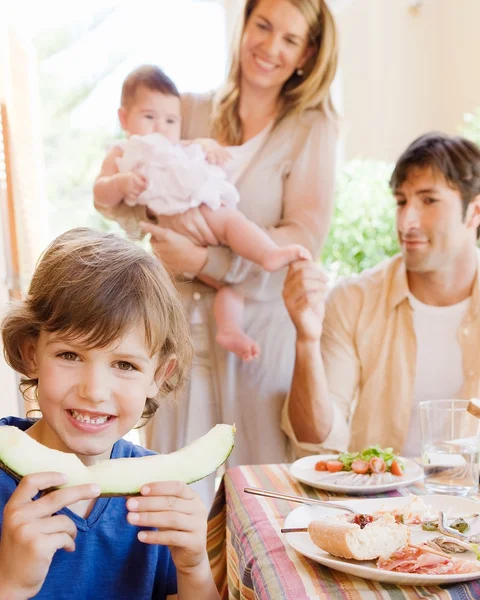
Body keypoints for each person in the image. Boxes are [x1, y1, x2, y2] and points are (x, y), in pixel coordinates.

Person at [95, 0, 338, 506]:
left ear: (307, 54)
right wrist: (159, 223)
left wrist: (205, 262)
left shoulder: (312, 127)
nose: (270, 47)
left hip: (256, 331)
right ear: (244, 24)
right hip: (178, 326)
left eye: (290, 39)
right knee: (171, 490)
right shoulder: (189, 106)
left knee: (261, 492)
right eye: (263, 25)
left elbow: (301, 238)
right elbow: (132, 197)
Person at [0, 228, 221, 600]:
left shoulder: (157, 497)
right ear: (30, 352)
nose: (94, 390)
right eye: (70, 355)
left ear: (159, 375)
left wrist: (194, 567)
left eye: (124, 364)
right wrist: (11, 585)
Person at [281, 132, 480, 459]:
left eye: (429, 200)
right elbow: (315, 439)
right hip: (380, 504)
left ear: (474, 212)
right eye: (401, 201)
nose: (406, 221)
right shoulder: (352, 299)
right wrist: (306, 340)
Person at [94, 65, 309, 362]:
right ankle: (268, 254)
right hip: (176, 222)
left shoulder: (179, 146)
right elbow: (100, 192)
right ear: (124, 118)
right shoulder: (123, 152)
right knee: (230, 224)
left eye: (170, 120)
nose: (160, 127)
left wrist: (208, 146)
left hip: (200, 210)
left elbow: (198, 148)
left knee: (231, 284)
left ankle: (230, 327)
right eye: (149, 117)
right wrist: (119, 184)